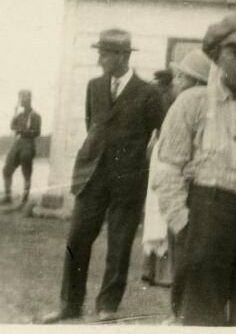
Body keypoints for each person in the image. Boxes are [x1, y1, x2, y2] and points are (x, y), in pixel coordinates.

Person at [152, 14, 236, 326]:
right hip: (209, 212)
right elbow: (168, 171)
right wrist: (185, 224)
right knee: (200, 312)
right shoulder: (192, 104)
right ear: (216, 57)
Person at [41, 29, 165, 323]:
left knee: (119, 245)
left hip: (128, 180)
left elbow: (160, 133)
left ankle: (107, 306)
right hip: (92, 175)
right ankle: (69, 305)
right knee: (77, 239)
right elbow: (93, 126)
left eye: (105, 53)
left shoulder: (149, 93)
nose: (99, 58)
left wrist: (138, 161)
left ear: (122, 56)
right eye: (100, 52)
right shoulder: (94, 86)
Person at [142, 49, 210, 322]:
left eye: (181, 77)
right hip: (173, 192)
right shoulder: (178, 107)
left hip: (191, 194)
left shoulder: (203, 110)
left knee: (189, 256)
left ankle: (186, 313)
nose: (176, 82)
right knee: (179, 255)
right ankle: (178, 310)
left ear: (195, 82)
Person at [3, 90, 41, 205]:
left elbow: (37, 132)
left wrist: (21, 131)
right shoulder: (19, 115)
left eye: (23, 98)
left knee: (26, 173)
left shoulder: (35, 115)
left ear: (29, 99)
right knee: (6, 170)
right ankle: (8, 197)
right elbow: (12, 126)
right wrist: (15, 113)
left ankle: (24, 199)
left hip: (28, 145)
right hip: (18, 144)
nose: (21, 101)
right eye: (20, 98)